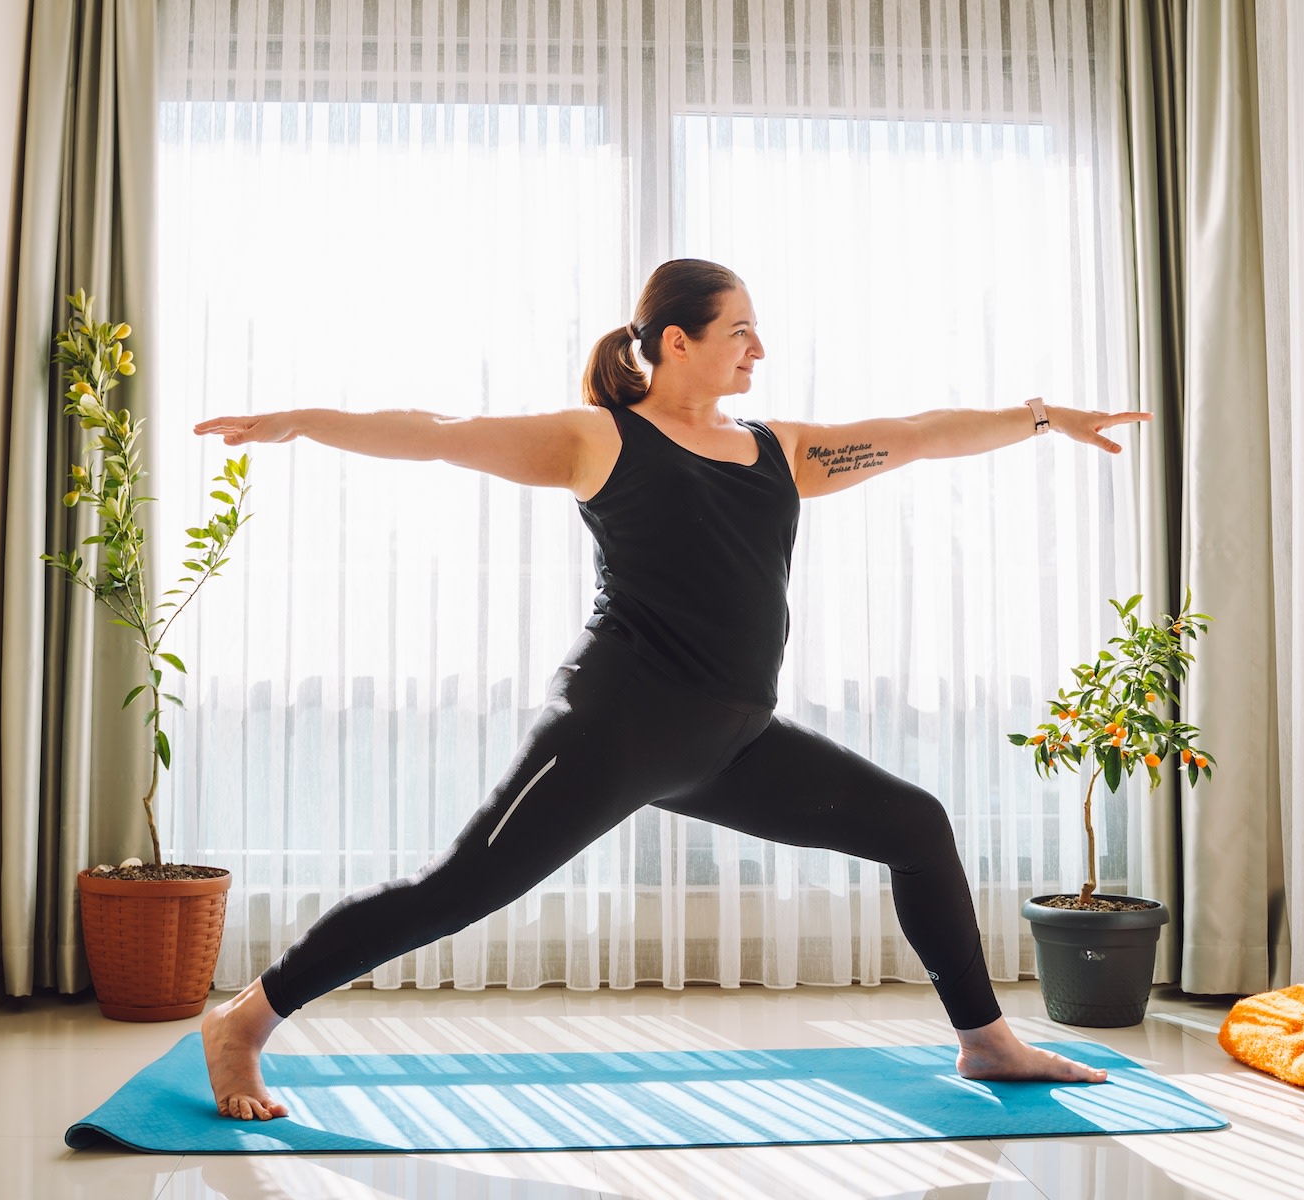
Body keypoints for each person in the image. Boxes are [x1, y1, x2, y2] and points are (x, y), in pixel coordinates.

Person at [193, 258, 1150, 1120]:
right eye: (741, 331)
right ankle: (244, 1020)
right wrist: (303, 423)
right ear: (675, 342)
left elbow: (915, 435)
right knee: (455, 892)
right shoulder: (600, 440)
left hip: (732, 739)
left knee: (915, 823)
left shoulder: (780, 450)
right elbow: (445, 434)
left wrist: (1038, 418)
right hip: (614, 728)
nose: (759, 350)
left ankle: (985, 1043)